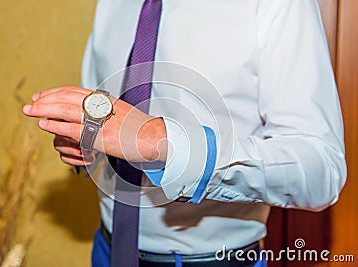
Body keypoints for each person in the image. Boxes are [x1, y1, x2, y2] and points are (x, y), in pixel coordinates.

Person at [23, 0, 346, 266]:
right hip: (107, 250)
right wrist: (86, 143)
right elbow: (106, 111)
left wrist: (161, 142)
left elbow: (321, 170)